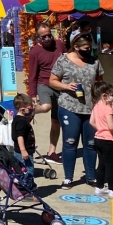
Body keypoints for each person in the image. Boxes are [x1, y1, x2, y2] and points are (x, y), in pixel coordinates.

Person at [49, 33, 104, 188]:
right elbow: (52, 81)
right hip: (69, 106)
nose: (89, 50)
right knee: (70, 142)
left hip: (90, 108)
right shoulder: (63, 60)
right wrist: (66, 86)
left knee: (91, 143)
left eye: (90, 48)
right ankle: (68, 177)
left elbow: (100, 82)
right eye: (86, 48)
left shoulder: (94, 61)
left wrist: (102, 101)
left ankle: (91, 176)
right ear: (76, 47)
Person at [27, 24, 64, 165]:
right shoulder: (35, 51)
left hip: (60, 85)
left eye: (49, 35)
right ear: (38, 37)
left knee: (56, 122)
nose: (48, 38)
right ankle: (27, 110)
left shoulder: (60, 45)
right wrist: (32, 95)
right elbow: (32, 75)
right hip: (44, 84)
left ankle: (51, 152)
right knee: (46, 106)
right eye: (44, 36)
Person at [12, 94, 38, 188]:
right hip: (24, 153)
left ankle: (25, 188)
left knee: (22, 172)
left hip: (22, 151)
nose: (31, 109)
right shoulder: (21, 122)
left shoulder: (20, 119)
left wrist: (33, 107)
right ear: (22, 109)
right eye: (30, 107)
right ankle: (28, 191)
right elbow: (20, 136)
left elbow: (30, 115)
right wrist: (23, 150)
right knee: (28, 172)